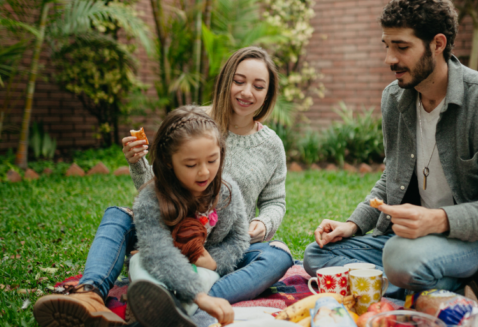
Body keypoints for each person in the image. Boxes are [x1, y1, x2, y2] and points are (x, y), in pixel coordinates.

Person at [303, 0, 478, 311]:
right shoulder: (394, 99)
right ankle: (442, 292)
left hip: (473, 244)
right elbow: (390, 176)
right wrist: (352, 225)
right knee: (319, 256)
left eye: (402, 47)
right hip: (412, 242)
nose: (389, 59)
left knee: (400, 259)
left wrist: (438, 220)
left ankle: (454, 284)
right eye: (386, 46)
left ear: (437, 44)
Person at [33, 47, 292, 326]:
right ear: (225, 80)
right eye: (238, 81)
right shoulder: (195, 122)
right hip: (168, 229)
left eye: (258, 85)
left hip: (219, 246)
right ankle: (90, 293)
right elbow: (158, 190)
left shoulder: (271, 146)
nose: (246, 92)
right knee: (119, 215)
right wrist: (137, 163)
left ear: (268, 93)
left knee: (278, 254)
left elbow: (275, 201)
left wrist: (263, 224)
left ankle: (185, 300)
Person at [127, 105, 247, 327]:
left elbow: (240, 238)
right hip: (165, 267)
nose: (204, 172)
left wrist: (213, 262)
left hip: (206, 270)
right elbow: (158, 252)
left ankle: (168, 311)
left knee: (276, 254)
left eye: (212, 160)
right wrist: (198, 295)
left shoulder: (228, 191)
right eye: (191, 165)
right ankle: (175, 306)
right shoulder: (151, 197)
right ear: (168, 162)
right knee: (138, 261)